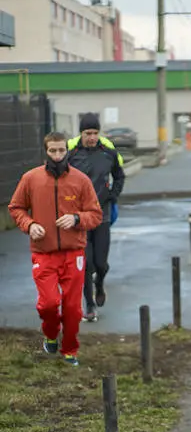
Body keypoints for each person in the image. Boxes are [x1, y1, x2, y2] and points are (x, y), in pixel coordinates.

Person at [8, 132, 103, 367]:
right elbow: (16, 207)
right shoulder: (31, 179)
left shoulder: (81, 180)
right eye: (53, 151)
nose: (58, 155)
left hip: (74, 253)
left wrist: (76, 219)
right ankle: (50, 334)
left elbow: (96, 215)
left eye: (62, 151)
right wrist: (29, 225)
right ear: (46, 151)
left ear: (67, 151)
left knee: (72, 308)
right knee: (49, 304)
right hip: (44, 253)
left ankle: (70, 349)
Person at [67, 113, 126, 322]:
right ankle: (89, 305)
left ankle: (100, 282)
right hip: (80, 217)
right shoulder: (71, 154)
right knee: (86, 263)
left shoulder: (108, 152)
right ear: (81, 133)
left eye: (94, 133)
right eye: (87, 133)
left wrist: (112, 195)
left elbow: (119, 175)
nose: (91, 137)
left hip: (102, 214)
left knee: (101, 264)